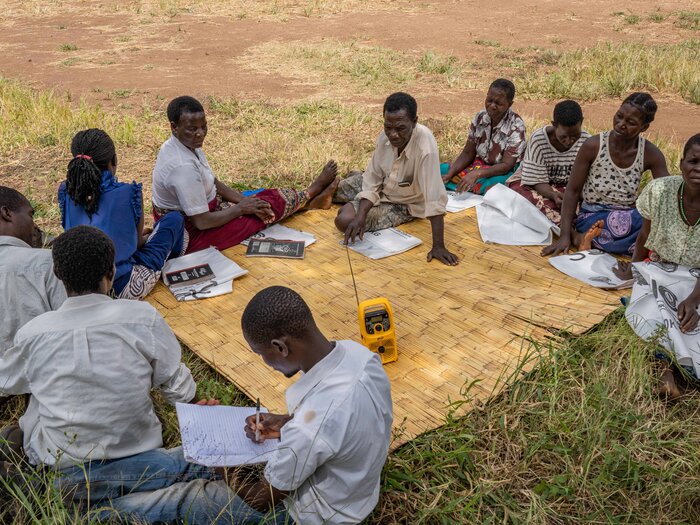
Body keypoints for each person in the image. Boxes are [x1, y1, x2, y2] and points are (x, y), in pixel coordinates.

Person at [91, 286, 394, 525]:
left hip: (310, 512)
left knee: (183, 497)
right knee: (183, 460)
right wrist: (285, 420)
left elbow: (262, 499)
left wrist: (220, 455)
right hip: (352, 490)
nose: (265, 361)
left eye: (261, 353)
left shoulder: (312, 428)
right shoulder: (359, 356)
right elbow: (339, 422)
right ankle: (78, 483)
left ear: (280, 346)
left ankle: (91, 515)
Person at [0, 226, 217, 511]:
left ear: (57, 274)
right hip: (142, 451)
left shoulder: (33, 334)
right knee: (200, 471)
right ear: (112, 272)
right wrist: (197, 411)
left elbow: (7, 382)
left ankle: (76, 493)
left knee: (32, 413)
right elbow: (175, 385)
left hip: (63, 462)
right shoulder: (142, 317)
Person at [151, 96, 339, 253]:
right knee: (260, 212)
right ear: (174, 127)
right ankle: (311, 193)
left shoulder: (186, 144)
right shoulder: (182, 167)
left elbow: (212, 180)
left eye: (204, 126)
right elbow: (201, 221)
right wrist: (241, 208)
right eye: (193, 128)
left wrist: (243, 201)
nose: (200, 133)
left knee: (262, 200)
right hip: (190, 234)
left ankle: (309, 202)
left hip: (205, 212)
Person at [59, 129, 187, 299]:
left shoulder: (65, 192)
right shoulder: (129, 193)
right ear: (114, 161)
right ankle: (173, 262)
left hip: (78, 289)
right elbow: (137, 244)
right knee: (174, 220)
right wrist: (135, 238)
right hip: (121, 286)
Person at [334, 92, 459, 266]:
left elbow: (434, 196)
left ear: (414, 122)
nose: (393, 135)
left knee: (344, 219)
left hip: (402, 203)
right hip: (383, 186)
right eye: (388, 127)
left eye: (400, 128)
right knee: (336, 190)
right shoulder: (384, 137)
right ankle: (336, 188)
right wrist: (362, 214)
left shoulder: (425, 147)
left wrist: (438, 246)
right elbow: (372, 178)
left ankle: (343, 187)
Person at [619, 134, 700, 399]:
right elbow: (644, 236)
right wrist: (634, 269)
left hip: (697, 279)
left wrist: (693, 300)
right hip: (660, 270)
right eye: (693, 161)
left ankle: (686, 373)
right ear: (681, 162)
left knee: (689, 321)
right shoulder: (660, 191)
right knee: (653, 309)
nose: (698, 169)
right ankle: (666, 375)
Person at [542, 92, 670, 256]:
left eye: (630, 122)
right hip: (593, 216)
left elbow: (667, 192)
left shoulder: (650, 153)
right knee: (640, 230)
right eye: (619, 116)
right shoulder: (594, 145)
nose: (621, 124)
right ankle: (578, 236)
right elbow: (572, 191)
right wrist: (564, 235)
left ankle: (587, 240)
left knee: (651, 220)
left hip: (629, 216)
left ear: (644, 127)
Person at [0, 186, 66, 353]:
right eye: (31, 215)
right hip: (43, 373)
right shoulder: (47, 263)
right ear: (6, 213)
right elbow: (70, 328)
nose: (35, 225)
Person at [507, 100, 590, 225]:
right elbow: (536, 181)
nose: (569, 141)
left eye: (574, 136)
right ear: (554, 125)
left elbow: (585, 182)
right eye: (564, 136)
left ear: (581, 123)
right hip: (535, 184)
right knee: (524, 199)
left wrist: (573, 196)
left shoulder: (587, 142)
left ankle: (565, 224)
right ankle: (570, 230)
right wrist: (553, 195)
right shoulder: (539, 140)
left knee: (588, 203)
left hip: (568, 188)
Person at [442, 78, 526, 195]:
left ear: (509, 104)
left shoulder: (516, 126)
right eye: (489, 100)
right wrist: (450, 173)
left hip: (502, 171)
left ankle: (468, 186)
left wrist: (477, 174)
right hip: (480, 165)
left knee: (493, 186)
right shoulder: (480, 117)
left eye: (498, 103)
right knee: (441, 170)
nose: (492, 106)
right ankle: (463, 184)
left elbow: (506, 165)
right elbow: (468, 153)